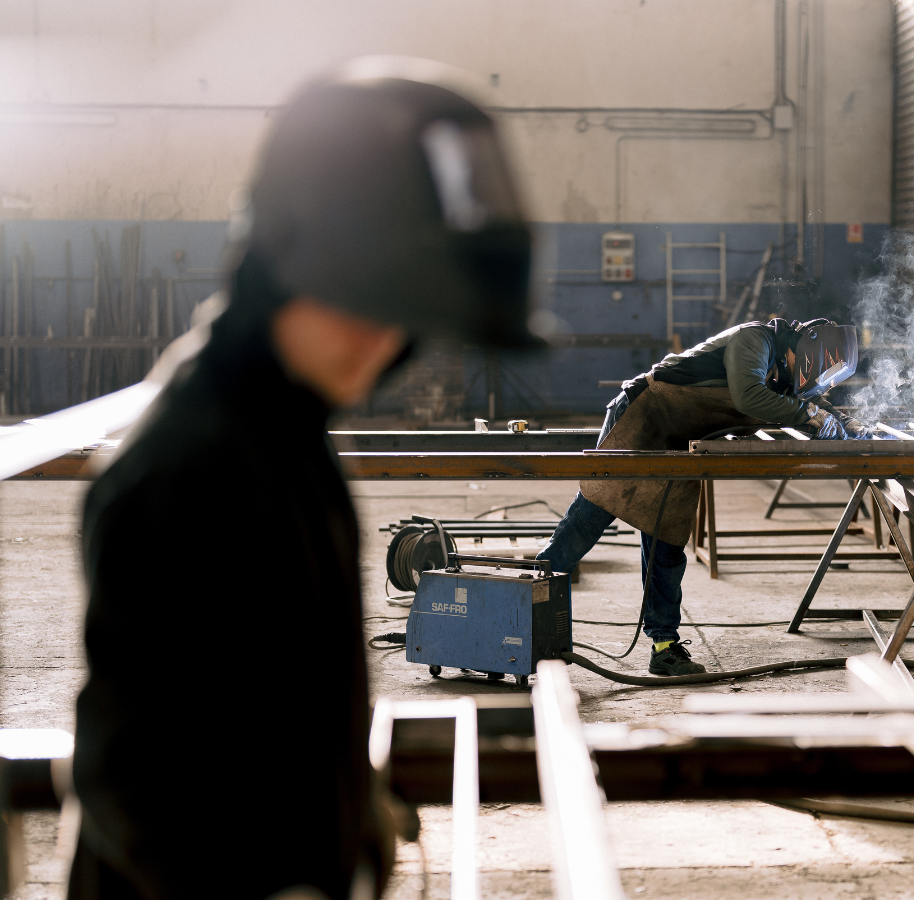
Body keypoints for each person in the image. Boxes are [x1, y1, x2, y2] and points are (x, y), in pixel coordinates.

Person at [68, 57, 539, 900]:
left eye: (402, 310)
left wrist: (349, 810)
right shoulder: (190, 465)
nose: (380, 337)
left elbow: (275, 693)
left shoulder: (281, 423)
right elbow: (127, 768)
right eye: (358, 299)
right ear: (282, 259)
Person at [537, 318, 862, 676]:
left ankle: (663, 649)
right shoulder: (756, 341)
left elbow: (808, 404)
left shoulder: (783, 373)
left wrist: (844, 423)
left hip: (676, 439)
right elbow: (748, 395)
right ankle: (525, 611)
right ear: (805, 350)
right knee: (588, 521)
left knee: (667, 546)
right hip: (642, 419)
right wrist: (809, 415)